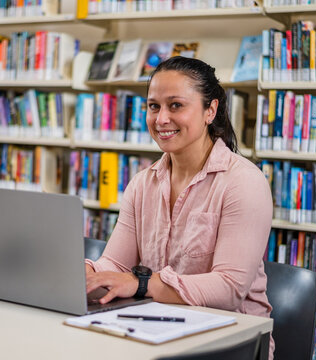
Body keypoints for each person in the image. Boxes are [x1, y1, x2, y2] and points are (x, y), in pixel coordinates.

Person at [85, 56, 274, 358]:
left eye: (176, 106)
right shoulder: (142, 184)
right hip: (156, 333)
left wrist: (141, 284)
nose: (161, 119)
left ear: (210, 110)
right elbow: (116, 266)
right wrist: (87, 274)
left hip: (229, 343)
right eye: (153, 106)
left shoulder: (243, 183)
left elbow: (228, 289)